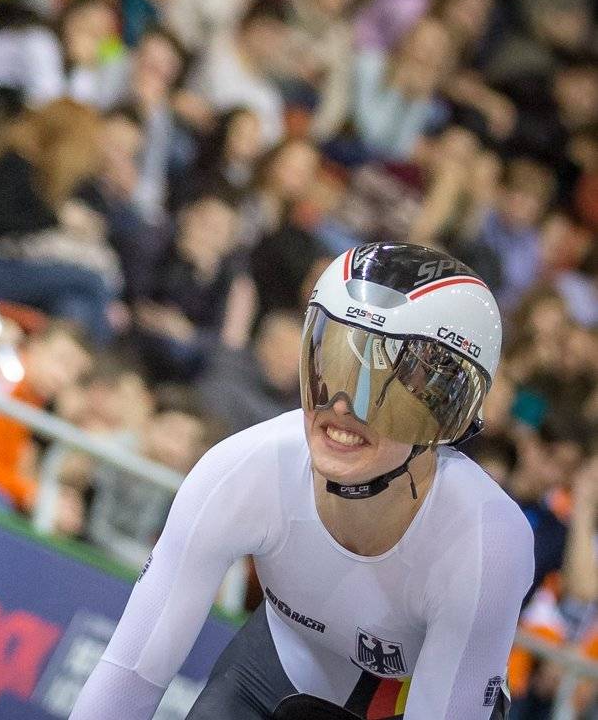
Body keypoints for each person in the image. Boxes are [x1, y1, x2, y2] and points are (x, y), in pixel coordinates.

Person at [70, 242, 533, 719]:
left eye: (385, 391)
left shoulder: (487, 541)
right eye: (330, 366)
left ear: (444, 415)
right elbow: (129, 677)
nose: (341, 406)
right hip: (281, 667)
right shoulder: (245, 467)